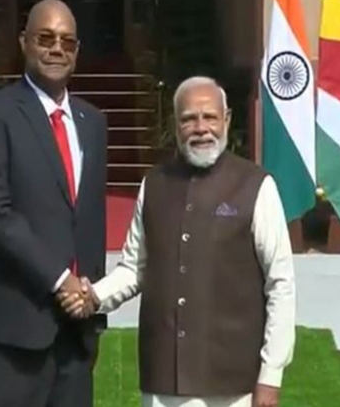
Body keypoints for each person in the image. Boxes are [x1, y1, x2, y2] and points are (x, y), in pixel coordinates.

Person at [59, 76, 296, 407]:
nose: (201, 128)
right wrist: (94, 296)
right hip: (163, 382)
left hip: (234, 385)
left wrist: (270, 376)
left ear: (226, 119)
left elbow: (281, 283)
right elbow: (134, 268)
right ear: (176, 124)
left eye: (210, 117)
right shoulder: (154, 184)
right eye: (189, 119)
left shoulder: (256, 186)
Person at [0, 0, 108, 407]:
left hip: (73, 334)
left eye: (67, 42)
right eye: (45, 38)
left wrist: (93, 310)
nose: (57, 49)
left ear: (77, 51)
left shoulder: (92, 123)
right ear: (24, 42)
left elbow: (89, 221)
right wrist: (60, 279)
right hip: (5, 332)